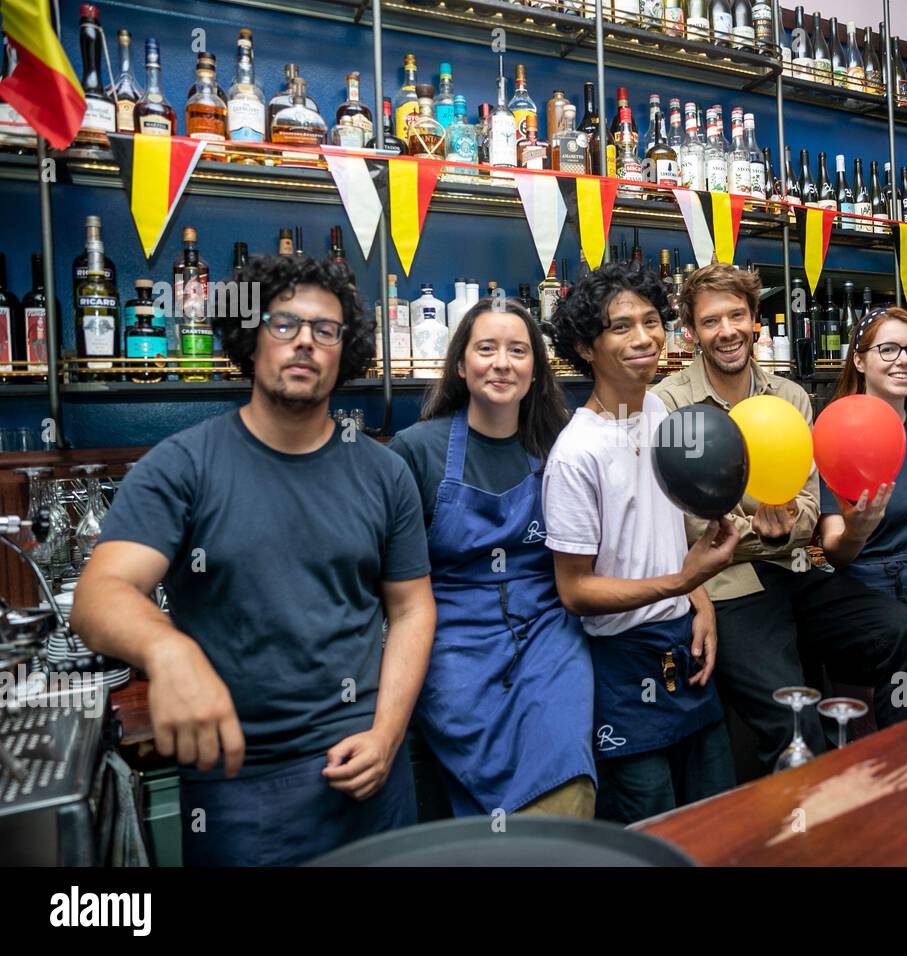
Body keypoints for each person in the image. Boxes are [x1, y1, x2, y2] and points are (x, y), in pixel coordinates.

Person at [72, 255, 434, 866]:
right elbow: (100, 592)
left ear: (345, 352)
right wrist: (169, 650)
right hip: (236, 781)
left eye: (326, 330)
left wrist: (387, 732)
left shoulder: (384, 471)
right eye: (283, 324)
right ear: (250, 337)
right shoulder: (184, 464)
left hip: (371, 768)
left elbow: (413, 607)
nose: (305, 344)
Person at [654, 263, 907, 773]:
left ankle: (904, 772)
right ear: (691, 332)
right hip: (729, 586)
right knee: (793, 721)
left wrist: (771, 525)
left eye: (737, 315)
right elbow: (683, 522)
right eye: (712, 321)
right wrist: (757, 523)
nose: (727, 330)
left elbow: (806, 510)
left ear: (755, 319)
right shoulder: (669, 404)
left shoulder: (791, 397)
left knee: (906, 630)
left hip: (801, 569)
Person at [545, 261, 741, 824]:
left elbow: (670, 525)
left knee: (715, 815)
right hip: (623, 669)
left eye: (652, 321)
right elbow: (575, 591)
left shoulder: (659, 411)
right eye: (621, 327)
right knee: (650, 829)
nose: (644, 338)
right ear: (586, 347)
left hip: (685, 647)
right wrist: (686, 582)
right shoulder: (576, 453)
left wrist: (699, 602)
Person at [389, 298, 596, 818]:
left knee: (565, 775)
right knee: (486, 797)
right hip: (453, 643)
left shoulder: (560, 446)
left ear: (534, 371)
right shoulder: (415, 450)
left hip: (549, 634)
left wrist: (694, 592)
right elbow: (382, 575)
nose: (502, 362)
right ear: (461, 365)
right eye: (486, 348)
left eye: (518, 351)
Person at [817, 305, 907, 673]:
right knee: (891, 720)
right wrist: (857, 530)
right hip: (868, 600)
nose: (904, 360)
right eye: (888, 349)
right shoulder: (834, 432)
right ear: (860, 361)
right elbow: (835, 551)